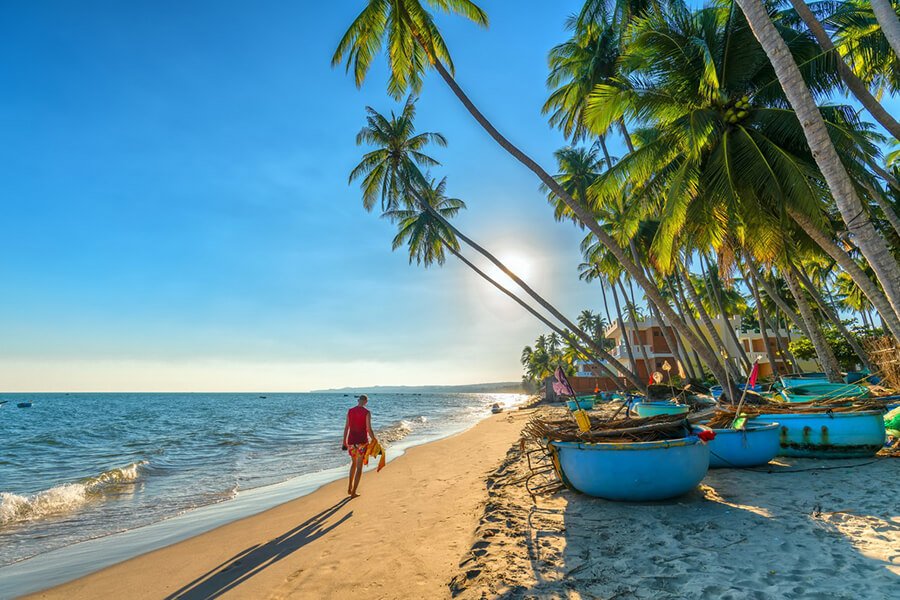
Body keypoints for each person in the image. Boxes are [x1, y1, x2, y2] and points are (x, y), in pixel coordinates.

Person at [342, 394, 376, 498]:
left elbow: (346, 427)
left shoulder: (350, 411)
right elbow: (369, 429)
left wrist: (344, 442)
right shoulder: (367, 412)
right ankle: (353, 493)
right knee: (359, 466)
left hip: (351, 441)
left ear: (358, 400)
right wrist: (374, 440)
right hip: (362, 442)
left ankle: (349, 487)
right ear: (366, 401)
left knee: (353, 464)